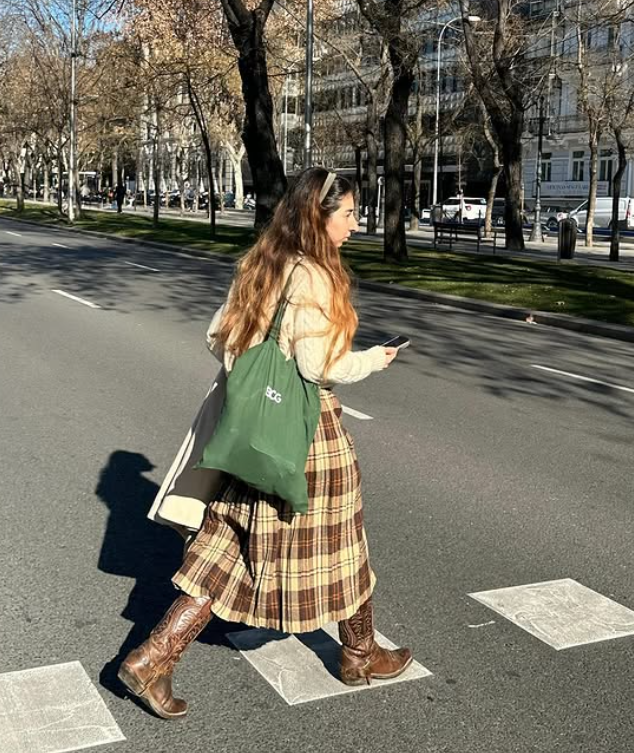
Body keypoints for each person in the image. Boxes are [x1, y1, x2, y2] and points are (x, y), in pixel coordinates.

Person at [117, 167, 412, 720]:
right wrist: (377, 358)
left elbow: (217, 337)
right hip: (304, 438)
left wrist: (254, 377)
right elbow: (318, 364)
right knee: (346, 545)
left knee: (228, 551)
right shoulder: (315, 277)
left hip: (249, 432)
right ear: (317, 216)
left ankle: (152, 658)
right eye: (347, 213)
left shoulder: (259, 264)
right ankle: (360, 655)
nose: (356, 223)